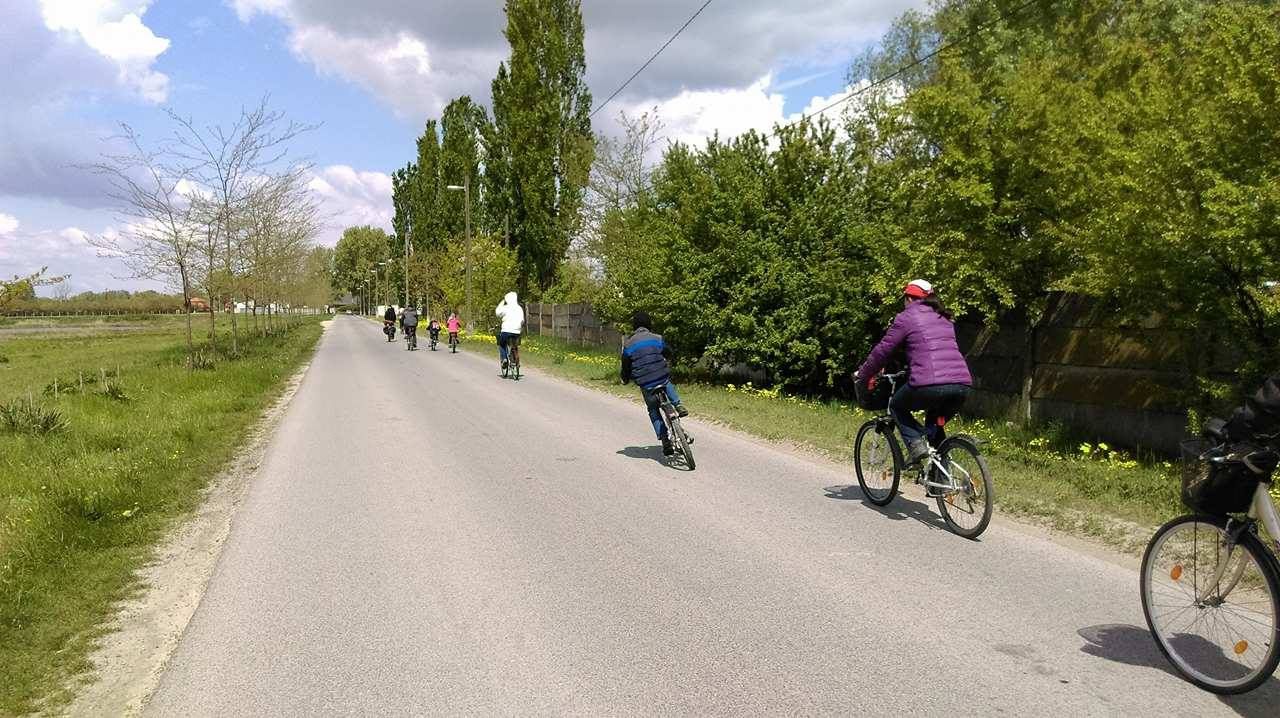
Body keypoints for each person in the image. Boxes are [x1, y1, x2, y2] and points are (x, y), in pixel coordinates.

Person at [856, 280, 973, 475]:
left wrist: (864, 373)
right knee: (935, 425)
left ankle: (916, 445)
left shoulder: (907, 317)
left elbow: (883, 351)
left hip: (930, 383)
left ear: (909, 298)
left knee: (896, 406)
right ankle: (941, 481)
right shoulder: (944, 317)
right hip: (961, 385)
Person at [620, 311, 689, 456]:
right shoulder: (657, 338)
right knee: (666, 381)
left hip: (645, 383)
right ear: (649, 324)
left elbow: (625, 366)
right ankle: (678, 405)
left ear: (634, 326)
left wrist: (625, 379)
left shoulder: (628, 344)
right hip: (661, 376)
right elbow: (669, 352)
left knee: (653, 409)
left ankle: (664, 440)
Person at [495, 292, 524, 369]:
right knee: (514, 344)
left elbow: (497, 313)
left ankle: (504, 358)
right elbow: (522, 321)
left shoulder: (505, 308)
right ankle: (514, 360)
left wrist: (502, 302)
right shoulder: (519, 308)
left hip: (506, 331)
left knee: (502, 344)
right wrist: (519, 328)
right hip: (517, 332)